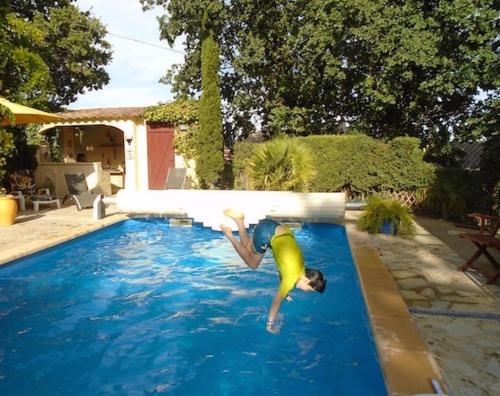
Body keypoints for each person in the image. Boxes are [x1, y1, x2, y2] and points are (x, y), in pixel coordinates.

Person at [220, 209, 326, 333]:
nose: (306, 291)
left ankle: (239, 220)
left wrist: (285, 293)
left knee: (249, 249)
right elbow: (276, 302)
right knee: (252, 263)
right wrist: (270, 324)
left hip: (275, 229)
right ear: (306, 279)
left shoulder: (300, 268)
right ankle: (229, 234)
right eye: (308, 289)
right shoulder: (291, 279)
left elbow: (283, 272)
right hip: (267, 232)